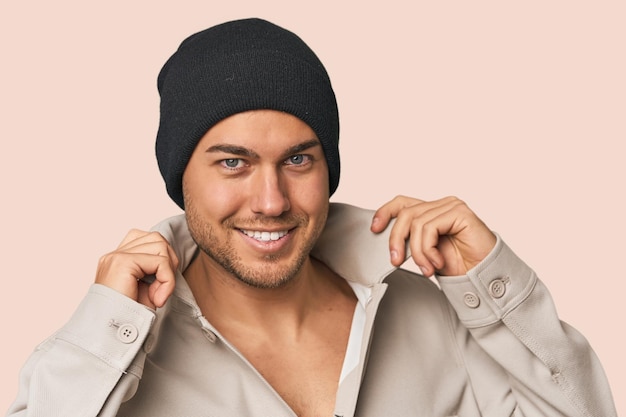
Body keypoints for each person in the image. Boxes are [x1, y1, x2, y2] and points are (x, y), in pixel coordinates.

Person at [6, 18, 616, 417]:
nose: (271, 201)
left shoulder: (437, 312)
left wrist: (494, 283)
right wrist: (105, 328)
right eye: (233, 163)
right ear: (179, 177)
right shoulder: (112, 351)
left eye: (298, 159)